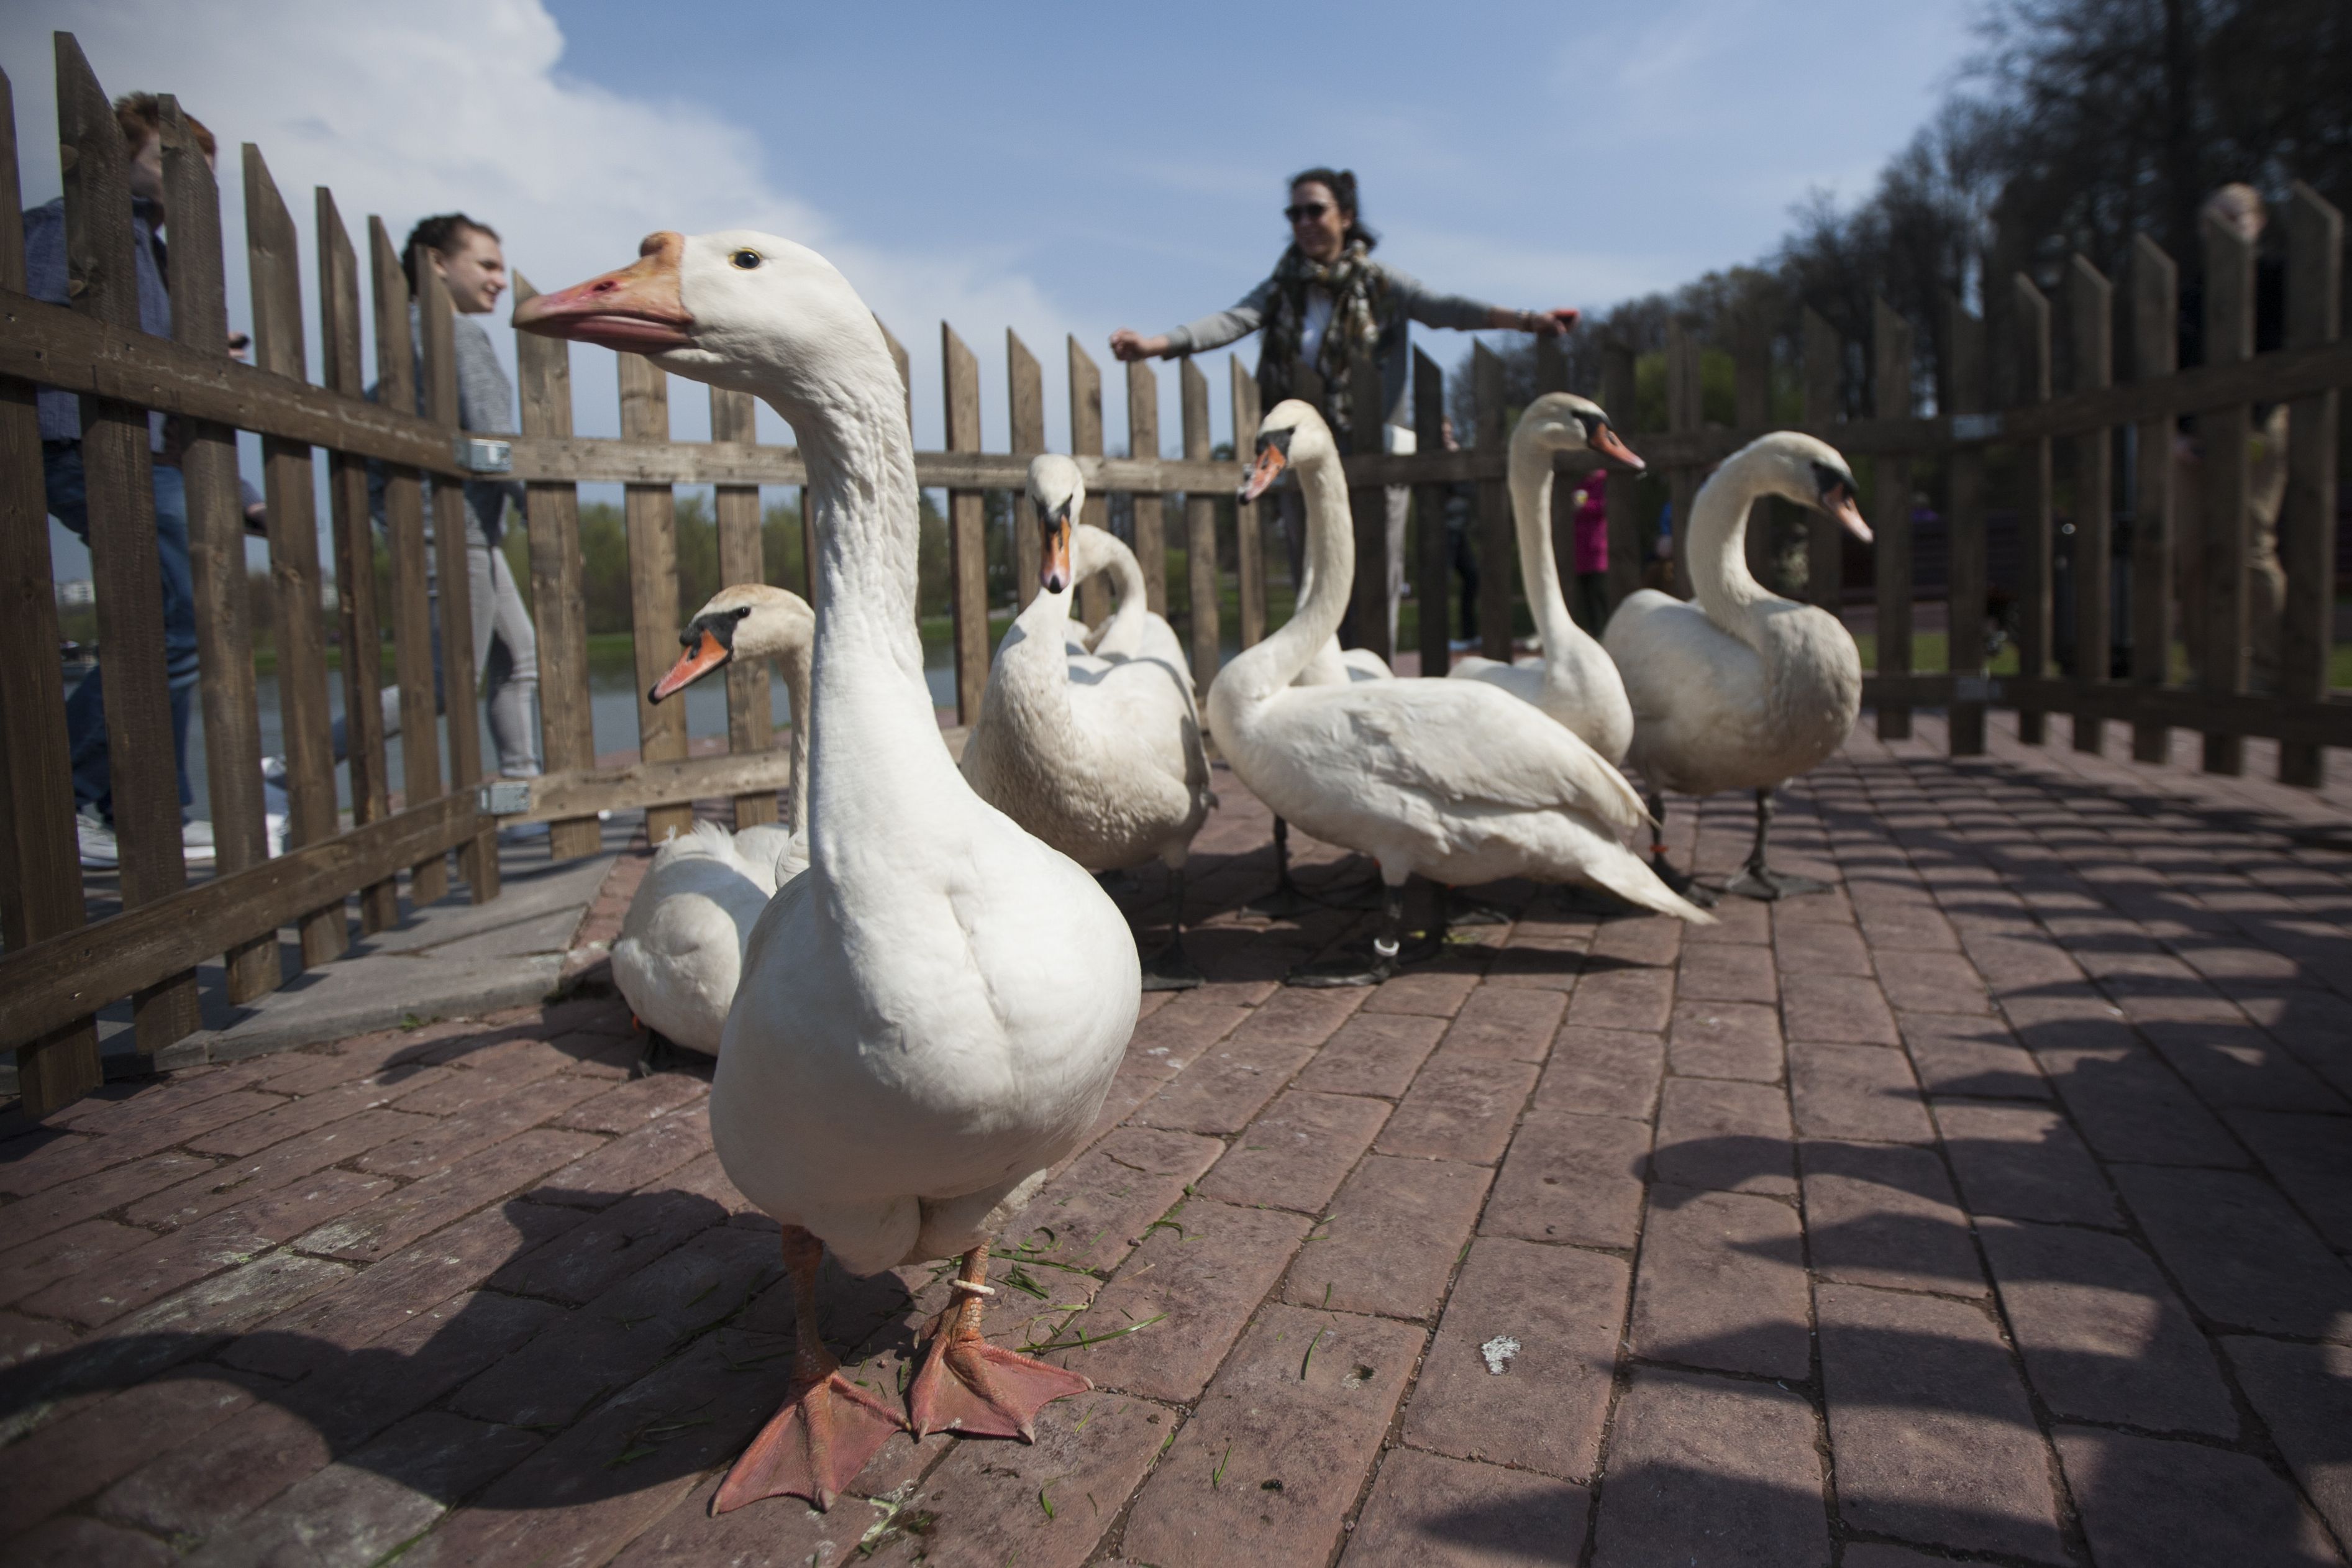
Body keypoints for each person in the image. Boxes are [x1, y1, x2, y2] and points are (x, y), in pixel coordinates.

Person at [1111, 167, 1579, 651]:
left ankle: (1376, 677)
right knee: (1313, 576)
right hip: (1304, 455)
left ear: (1347, 216)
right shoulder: (1281, 289)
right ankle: (1322, 683)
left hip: (1374, 451)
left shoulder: (1381, 284)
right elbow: (1231, 322)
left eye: (1316, 209)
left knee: (1377, 578)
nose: (1304, 221)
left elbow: (1447, 310)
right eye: (1295, 213)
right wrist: (1155, 345)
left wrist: (1529, 321)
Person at [30, 93, 258, 871]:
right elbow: (39, 334)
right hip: (86, 441)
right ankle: (74, 795)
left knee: (163, 616)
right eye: (169, 158)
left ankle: (142, 805)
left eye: (200, 168)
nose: (188, 178)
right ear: (121, 154)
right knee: (175, 616)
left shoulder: (153, 252)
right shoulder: (69, 226)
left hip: (147, 450)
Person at [315, 214, 539, 799]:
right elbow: (495, 436)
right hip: (454, 526)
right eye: (486, 264)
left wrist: (386, 508)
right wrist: (542, 514)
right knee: (444, 683)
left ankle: (522, 786)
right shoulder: (453, 334)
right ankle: (293, 772)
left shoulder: (406, 335)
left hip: (461, 527)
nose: (498, 279)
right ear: (437, 263)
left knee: (518, 658)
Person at [1568, 467, 1610, 633]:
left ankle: (1606, 629)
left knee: (1599, 591)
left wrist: (1584, 505)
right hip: (1581, 547)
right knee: (1586, 594)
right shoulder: (1582, 484)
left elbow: (1604, 506)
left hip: (1598, 547)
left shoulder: (1604, 483)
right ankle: (1595, 630)